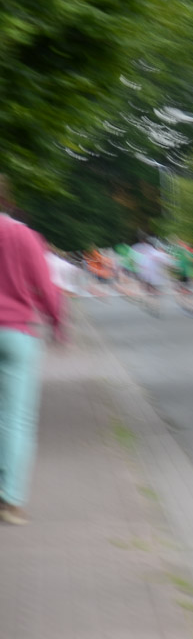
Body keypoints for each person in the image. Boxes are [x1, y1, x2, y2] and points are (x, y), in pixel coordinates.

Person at [0, 176, 65, 525]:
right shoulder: (22, 235)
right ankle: (10, 500)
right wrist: (57, 323)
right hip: (16, 334)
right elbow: (44, 286)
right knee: (15, 418)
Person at [132, 237, 173, 315]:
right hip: (156, 277)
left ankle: (148, 302)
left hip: (146, 275)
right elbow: (168, 262)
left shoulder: (146, 254)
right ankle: (154, 305)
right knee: (154, 292)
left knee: (147, 290)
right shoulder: (158, 254)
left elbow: (140, 264)